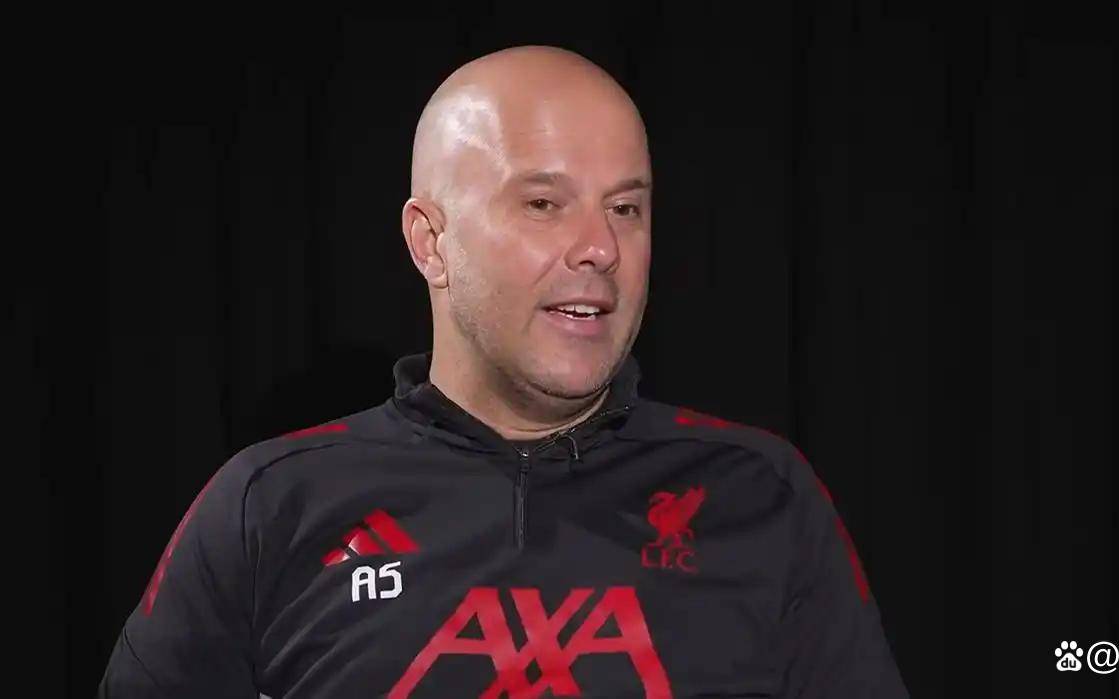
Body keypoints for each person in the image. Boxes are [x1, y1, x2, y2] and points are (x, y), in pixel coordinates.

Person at [99, 44, 908, 698]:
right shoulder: (269, 505)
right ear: (430, 242)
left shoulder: (761, 494)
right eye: (544, 203)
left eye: (625, 207)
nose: (601, 247)